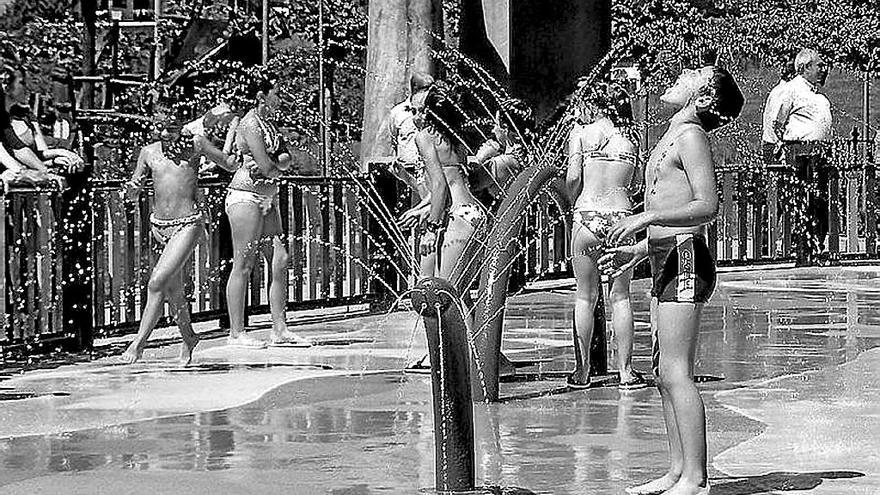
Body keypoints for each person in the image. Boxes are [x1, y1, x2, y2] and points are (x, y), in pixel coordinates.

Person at [600, 65, 744, 495]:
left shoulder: (691, 137)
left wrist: (647, 217)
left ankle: (696, 478)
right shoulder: (670, 137)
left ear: (701, 99)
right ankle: (677, 469)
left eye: (694, 73)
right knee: (664, 371)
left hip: (685, 260)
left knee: (678, 371)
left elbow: (707, 207)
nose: (681, 72)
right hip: (667, 255)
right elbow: (675, 215)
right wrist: (637, 251)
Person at [565, 81, 645, 391]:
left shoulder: (582, 133)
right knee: (621, 297)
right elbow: (636, 184)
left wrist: (574, 202)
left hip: (587, 217)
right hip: (621, 219)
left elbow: (573, 178)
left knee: (585, 296)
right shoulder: (631, 138)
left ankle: (582, 372)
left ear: (596, 104)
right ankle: (626, 371)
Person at [224, 78, 310, 348]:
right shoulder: (250, 123)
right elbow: (269, 166)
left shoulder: (269, 125)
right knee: (244, 263)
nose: (280, 97)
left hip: (266, 197)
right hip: (245, 196)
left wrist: (277, 164)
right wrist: (275, 164)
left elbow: (285, 159)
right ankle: (236, 333)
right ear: (262, 95)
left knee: (280, 258)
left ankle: (279, 329)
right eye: (276, 93)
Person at [119, 110, 203, 365]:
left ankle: (138, 343)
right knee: (173, 290)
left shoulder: (193, 147)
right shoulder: (148, 152)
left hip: (187, 224)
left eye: (172, 128)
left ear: (182, 127)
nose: (166, 133)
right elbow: (134, 189)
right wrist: (132, 191)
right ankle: (189, 337)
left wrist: (231, 130)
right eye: (161, 127)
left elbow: (227, 162)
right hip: (158, 227)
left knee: (156, 282)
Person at [772, 48, 832, 264]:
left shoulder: (817, 94)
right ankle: (801, 247)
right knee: (803, 202)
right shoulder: (791, 90)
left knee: (820, 203)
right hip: (800, 155)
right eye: (819, 65)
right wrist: (787, 146)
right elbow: (777, 123)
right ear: (805, 67)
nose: (823, 69)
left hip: (818, 155)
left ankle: (816, 245)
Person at [388, 72, 435, 197]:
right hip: (406, 169)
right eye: (426, 89)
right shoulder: (397, 112)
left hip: (428, 168)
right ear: (415, 89)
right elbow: (394, 139)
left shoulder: (433, 111)